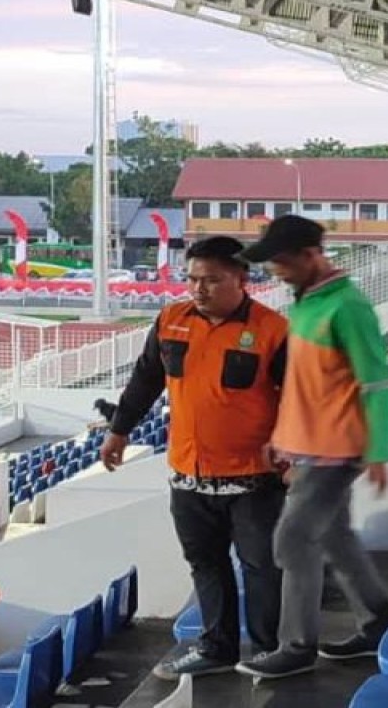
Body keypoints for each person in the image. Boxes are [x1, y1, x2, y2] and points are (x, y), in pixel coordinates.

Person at [100, 236, 290, 680]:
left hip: (254, 481)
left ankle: (268, 651)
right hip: (189, 478)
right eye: (192, 278)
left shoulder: (273, 331)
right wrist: (119, 431)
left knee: (261, 568)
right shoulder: (171, 320)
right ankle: (216, 648)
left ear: (242, 280)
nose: (198, 289)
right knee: (206, 565)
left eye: (212, 280)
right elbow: (146, 381)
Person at [233, 215, 388, 681]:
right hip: (309, 449)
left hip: (337, 451)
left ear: (311, 255)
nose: (277, 272)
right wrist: (282, 440)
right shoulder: (306, 303)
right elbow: (306, 387)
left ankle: (296, 646)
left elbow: (378, 381)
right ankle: (378, 624)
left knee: (292, 540)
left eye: (283, 263)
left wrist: (380, 450)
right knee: (335, 538)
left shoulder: (347, 306)